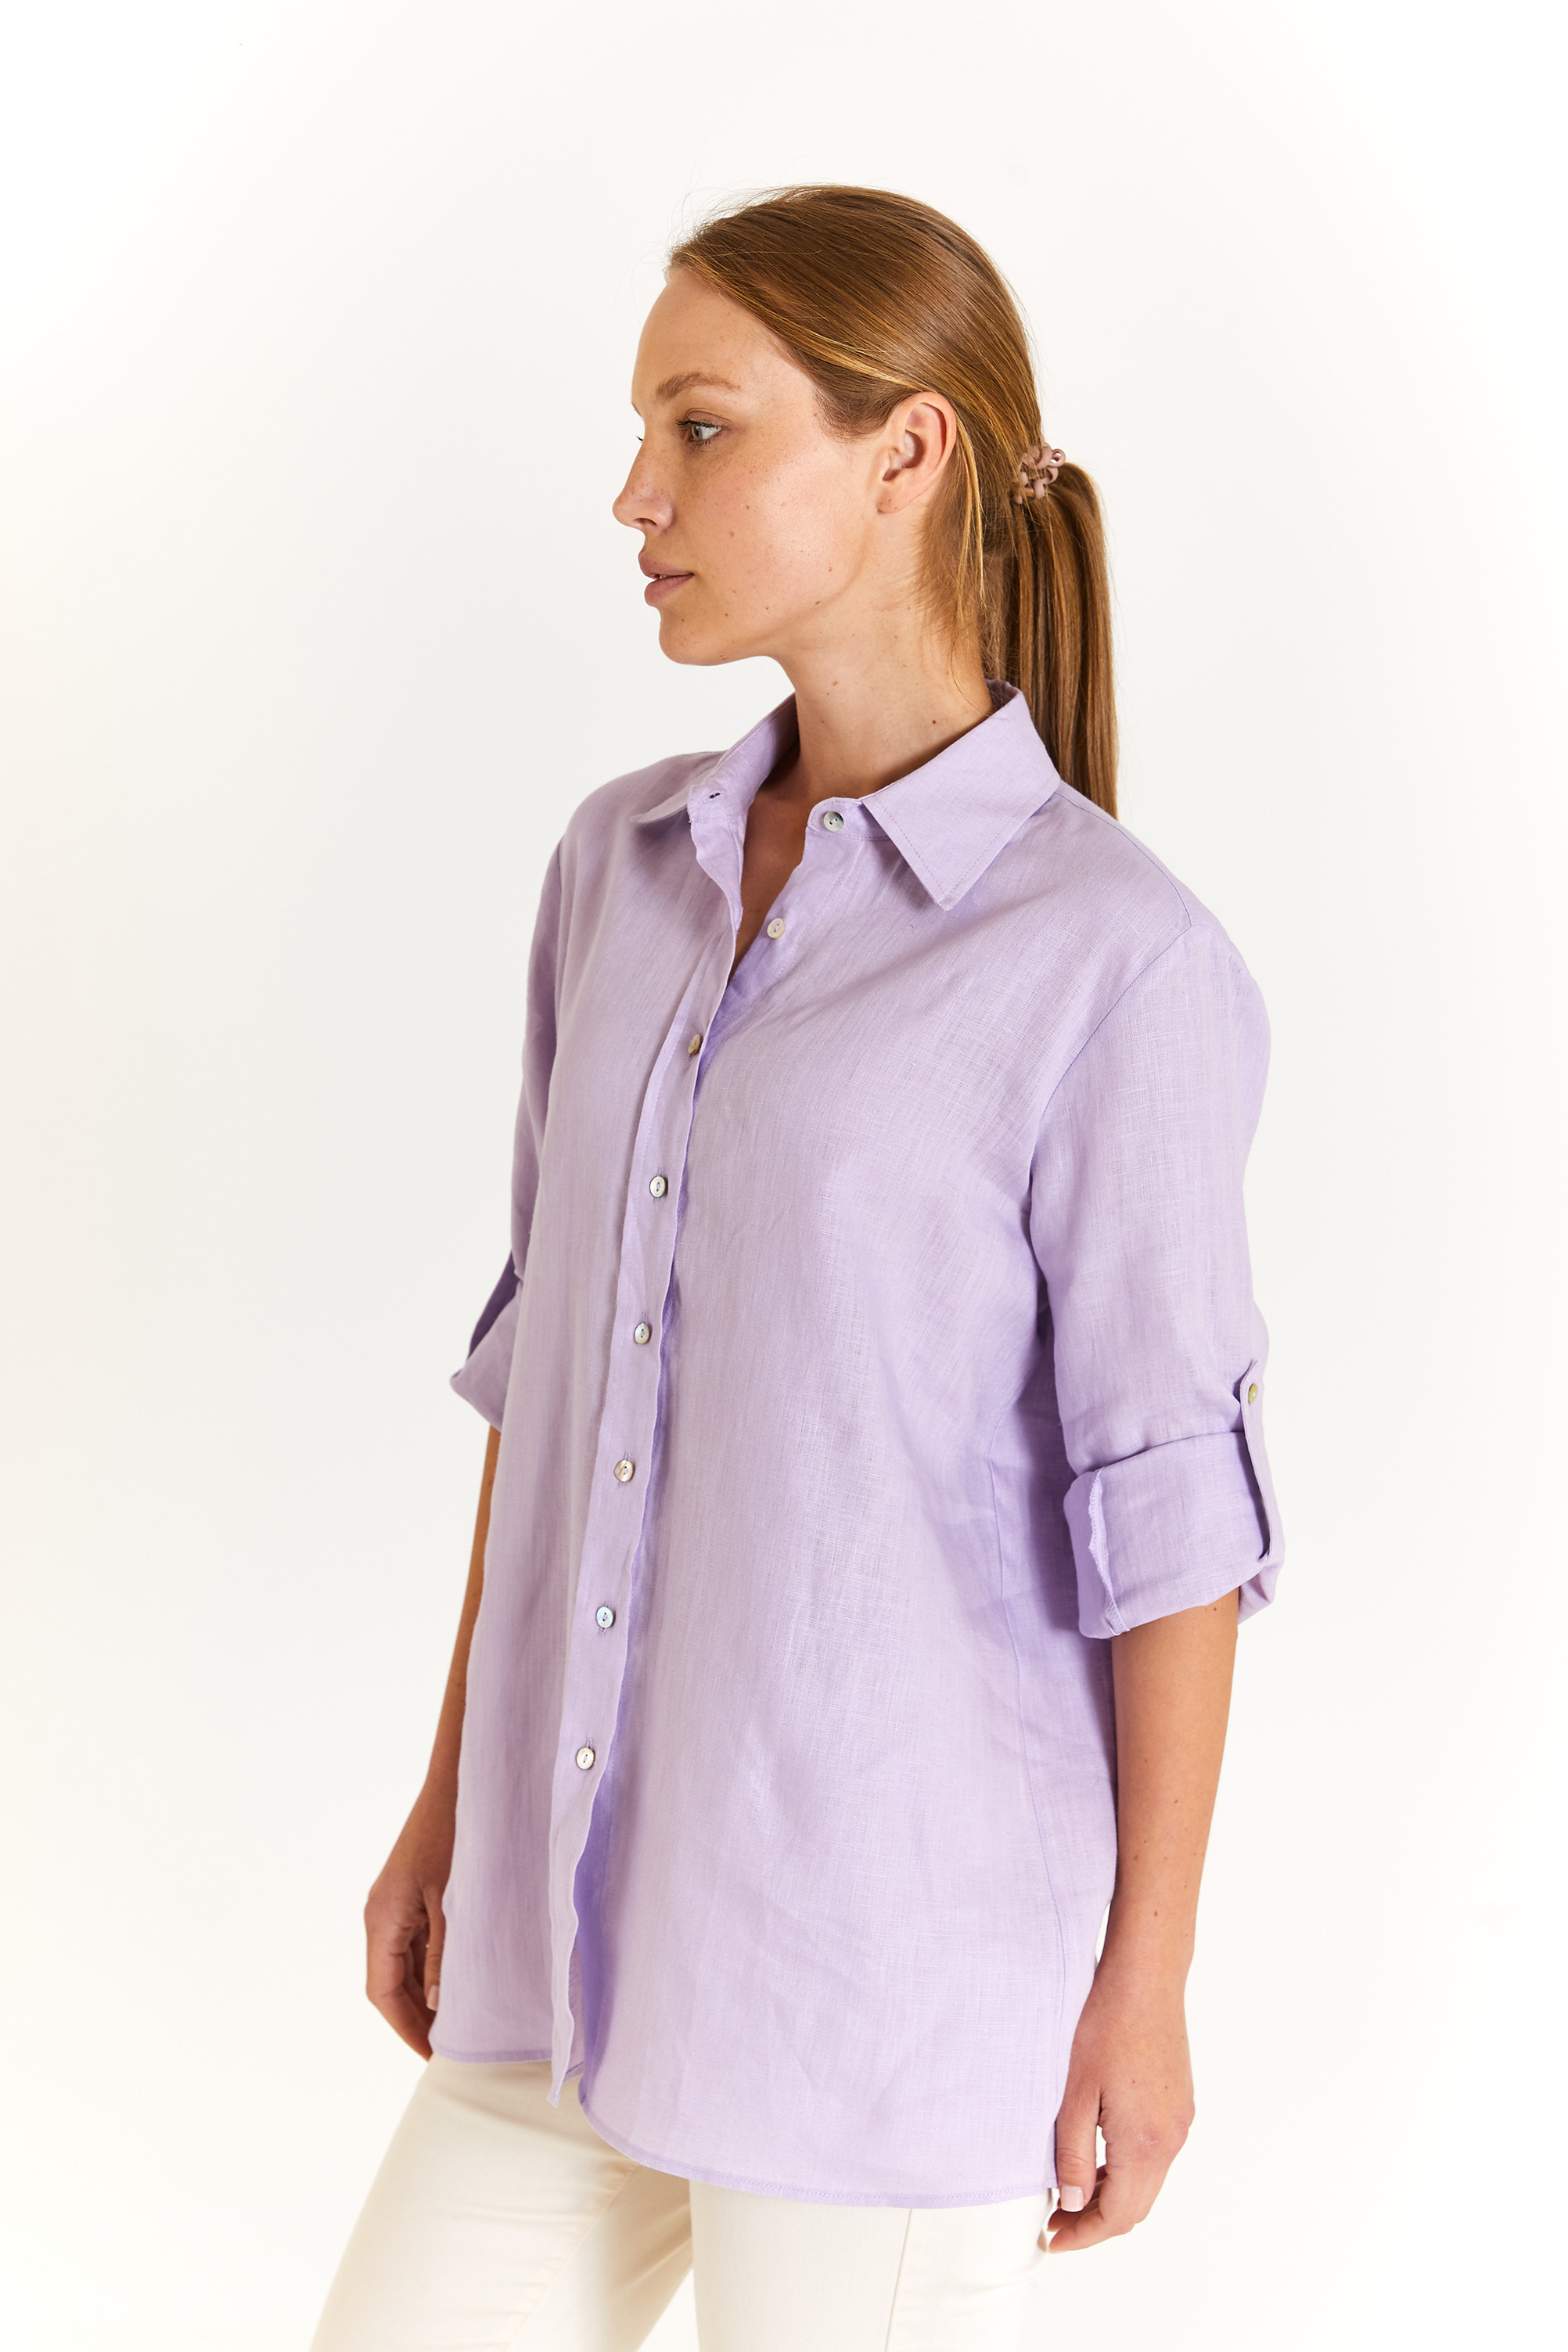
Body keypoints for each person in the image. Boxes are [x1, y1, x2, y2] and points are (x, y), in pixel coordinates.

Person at [309, 184, 1282, 2352]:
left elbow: (1170, 1525)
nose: (634, 495)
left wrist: (1144, 1988)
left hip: (886, 1993)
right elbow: (553, 1384)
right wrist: (453, 1795)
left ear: (905, 451)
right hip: (568, 1946)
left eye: (701, 427)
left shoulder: (1112, 964)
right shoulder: (618, 869)